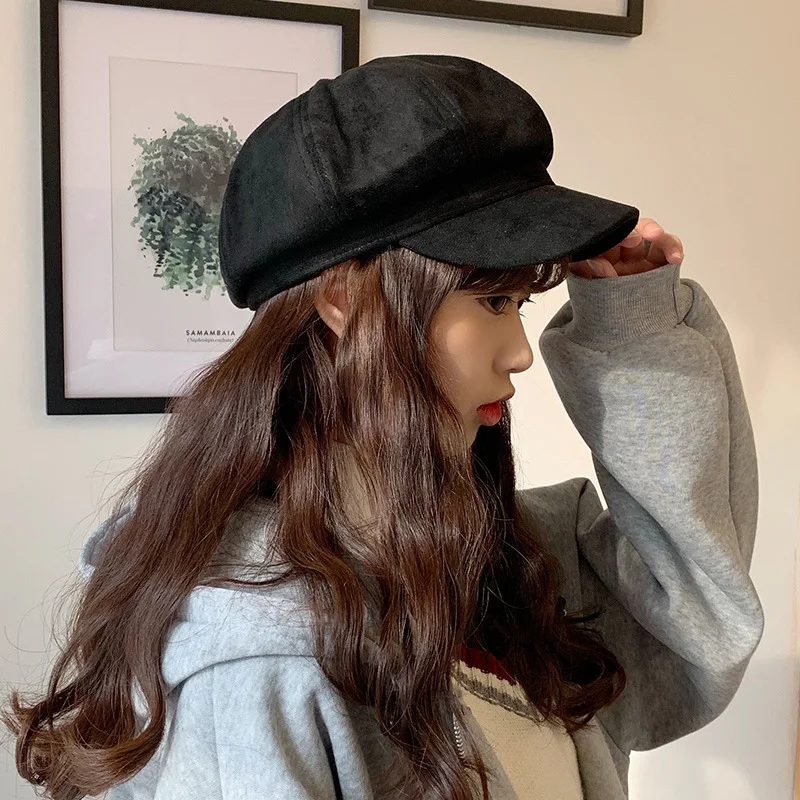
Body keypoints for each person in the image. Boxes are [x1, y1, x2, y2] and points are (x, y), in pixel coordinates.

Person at [3, 54, 763, 800]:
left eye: (520, 304)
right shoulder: (260, 664)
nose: (521, 352)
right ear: (345, 300)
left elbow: (695, 633)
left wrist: (633, 324)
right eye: (491, 301)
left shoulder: (498, 562)